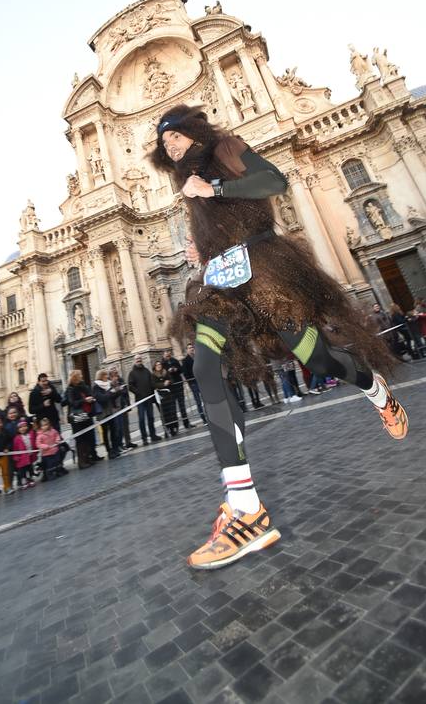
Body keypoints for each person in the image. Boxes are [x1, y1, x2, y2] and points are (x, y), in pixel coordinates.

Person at [150, 104, 408, 570]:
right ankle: (247, 510)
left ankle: (373, 387)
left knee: (319, 360)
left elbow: (274, 182)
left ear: (193, 132)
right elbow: (217, 224)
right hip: (220, 279)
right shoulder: (184, 183)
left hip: (266, 271)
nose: (168, 144)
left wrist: (215, 186)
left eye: (174, 135)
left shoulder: (227, 149)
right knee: (205, 367)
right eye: (162, 141)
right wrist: (199, 246)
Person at [127, 355, 161, 444]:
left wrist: (154, 389)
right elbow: (130, 386)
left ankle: (153, 435)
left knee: (151, 417)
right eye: (137, 359)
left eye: (140, 359)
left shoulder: (146, 371)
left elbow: (151, 382)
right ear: (134, 361)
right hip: (140, 400)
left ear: (141, 360)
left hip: (149, 398)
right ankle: (144, 438)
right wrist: (138, 392)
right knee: (142, 419)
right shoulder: (132, 373)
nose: (138, 360)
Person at [65, 370, 96, 469]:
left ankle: (88, 458)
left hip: (85, 415)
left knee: (87, 437)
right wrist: (84, 400)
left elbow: (89, 393)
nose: (82, 376)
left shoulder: (82, 386)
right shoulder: (70, 389)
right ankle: (81, 462)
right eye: (80, 375)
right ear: (75, 377)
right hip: (77, 417)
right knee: (80, 439)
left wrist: (90, 399)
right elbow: (72, 402)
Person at [92, 369, 120, 459]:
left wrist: (117, 391)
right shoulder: (96, 387)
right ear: (101, 376)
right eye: (105, 375)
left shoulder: (108, 384)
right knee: (105, 432)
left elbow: (112, 397)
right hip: (102, 413)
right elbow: (101, 398)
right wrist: (110, 392)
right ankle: (109, 450)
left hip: (110, 410)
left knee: (113, 429)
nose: (107, 377)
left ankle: (115, 448)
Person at [162, 348, 194, 429]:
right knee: (173, 408)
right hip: (170, 388)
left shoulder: (175, 360)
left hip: (178, 385)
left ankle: (186, 423)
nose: (168, 355)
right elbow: (162, 375)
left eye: (168, 354)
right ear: (164, 355)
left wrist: (176, 369)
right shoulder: (162, 364)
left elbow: (181, 370)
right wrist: (168, 371)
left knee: (182, 406)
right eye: (166, 354)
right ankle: (175, 426)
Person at [108, 367, 137, 451]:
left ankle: (128, 442)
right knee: (118, 427)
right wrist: (119, 390)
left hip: (123, 404)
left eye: (116, 373)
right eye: (114, 373)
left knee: (125, 425)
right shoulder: (109, 383)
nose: (116, 375)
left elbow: (125, 391)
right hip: (116, 408)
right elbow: (112, 395)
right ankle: (118, 445)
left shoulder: (120, 380)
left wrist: (128, 404)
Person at [152, 361, 178, 436]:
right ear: (155, 367)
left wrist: (169, 381)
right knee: (164, 414)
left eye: (160, 364)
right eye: (157, 365)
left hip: (169, 395)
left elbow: (172, 380)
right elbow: (154, 384)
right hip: (161, 397)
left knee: (172, 412)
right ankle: (167, 429)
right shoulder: (153, 375)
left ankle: (173, 427)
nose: (159, 366)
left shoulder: (165, 372)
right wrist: (163, 384)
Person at [182, 343, 207, 423]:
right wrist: (191, 381)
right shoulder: (185, 360)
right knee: (198, 401)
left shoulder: (198, 357)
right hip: (194, 383)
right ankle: (203, 418)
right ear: (187, 350)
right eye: (189, 348)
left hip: (202, 381)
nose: (191, 349)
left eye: (192, 347)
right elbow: (185, 374)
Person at [12, 420, 37, 488]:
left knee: (30, 468)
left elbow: (34, 435)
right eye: (20, 427)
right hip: (21, 458)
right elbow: (15, 448)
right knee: (22, 471)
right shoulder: (17, 438)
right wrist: (16, 457)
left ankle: (30, 479)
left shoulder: (31, 434)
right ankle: (24, 480)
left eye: (24, 426)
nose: (23, 428)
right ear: (18, 429)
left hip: (30, 456)